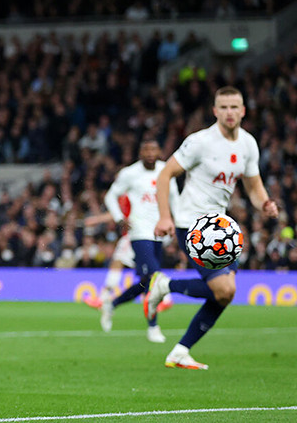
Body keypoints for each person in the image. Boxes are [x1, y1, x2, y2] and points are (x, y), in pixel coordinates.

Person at [149, 87, 279, 369]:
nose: (230, 112)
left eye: (235, 107)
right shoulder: (200, 142)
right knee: (222, 289)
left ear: (244, 110)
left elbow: (253, 186)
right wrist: (164, 216)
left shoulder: (247, 144)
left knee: (227, 292)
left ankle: (180, 350)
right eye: (224, 107)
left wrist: (265, 203)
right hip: (192, 223)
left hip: (220, 226)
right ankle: (165, 285)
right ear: (215, 111)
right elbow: (165, 174)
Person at [84, 141, 178, 342]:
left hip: (159, 231)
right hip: (139, 231)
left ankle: (112, 303)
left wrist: (176, 224)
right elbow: (111, 195)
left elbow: (174, 198)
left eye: (154, 149)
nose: (150, 153)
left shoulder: (166, 170)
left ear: (159, 151)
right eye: (146, 150)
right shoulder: (130, 173)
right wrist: (119, 218)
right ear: (140, 153)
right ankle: (153, 327)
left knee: (146, 282)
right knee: (154, 277)